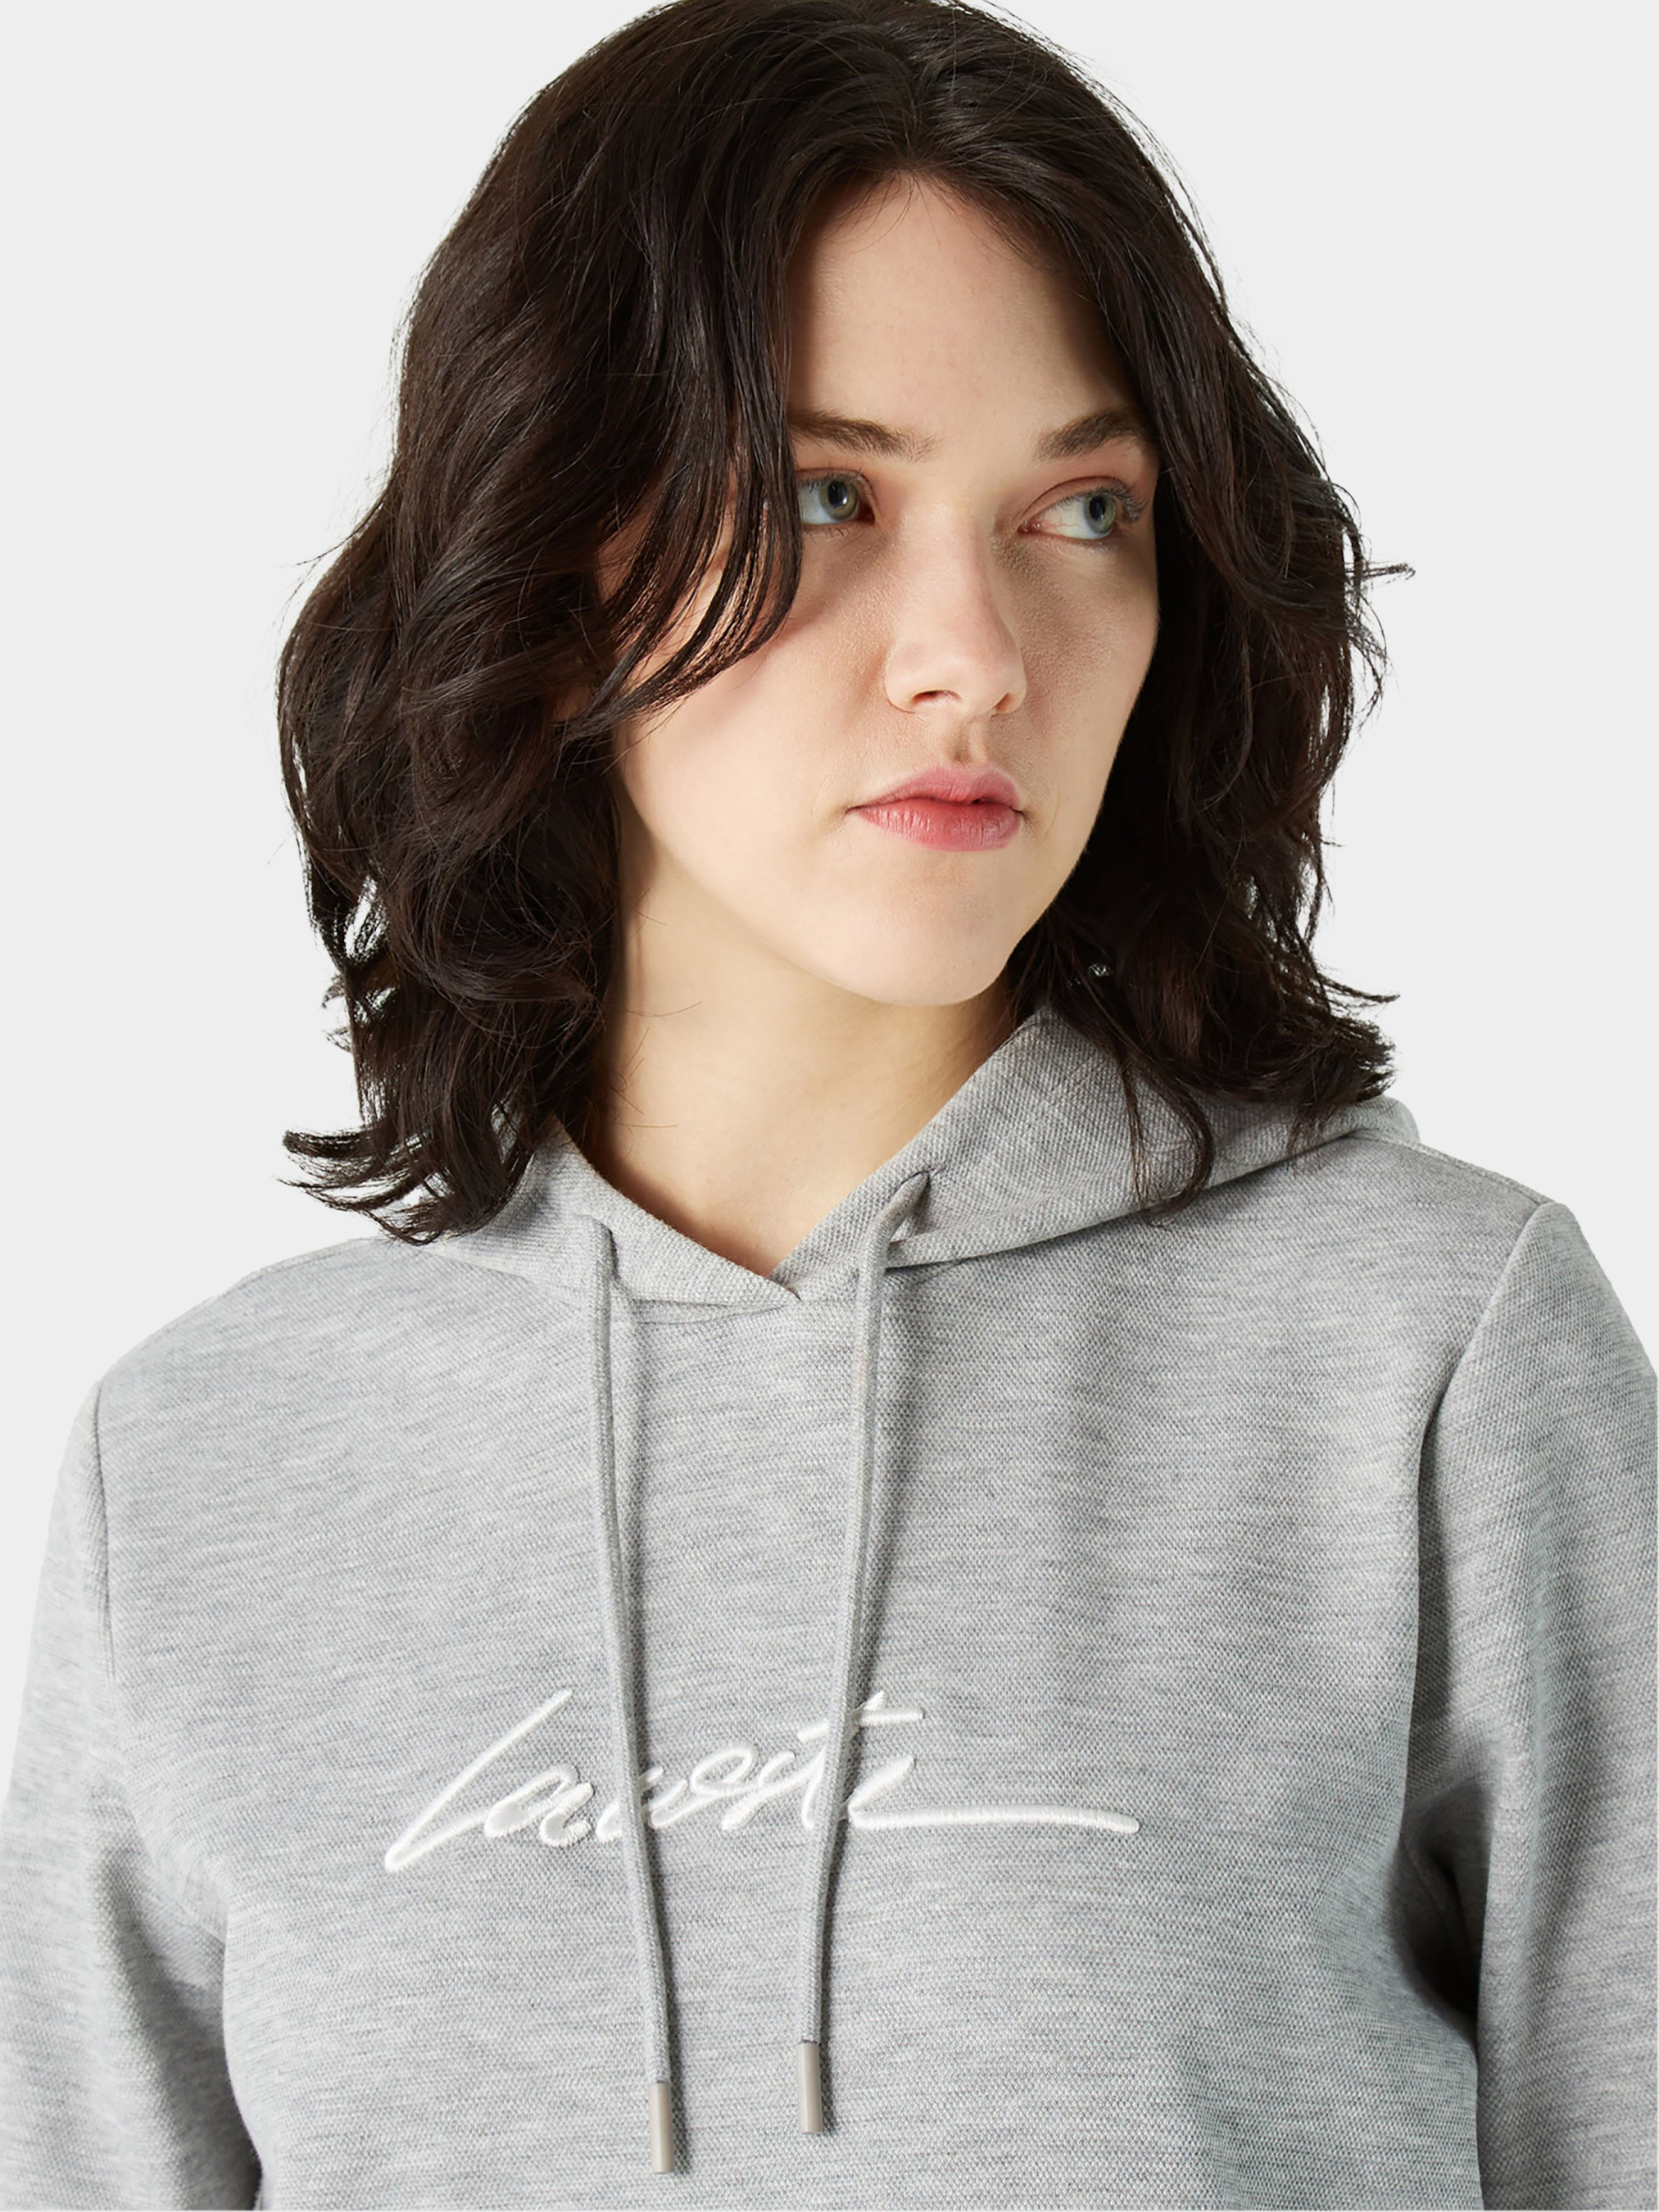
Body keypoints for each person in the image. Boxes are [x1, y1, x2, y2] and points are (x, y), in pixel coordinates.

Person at [2, 0, 1653, 2202]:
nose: (976, 651)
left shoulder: (1422, 1356)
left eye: (1081, 509)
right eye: (821, 495)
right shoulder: (200, 1471)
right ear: (551, 560)